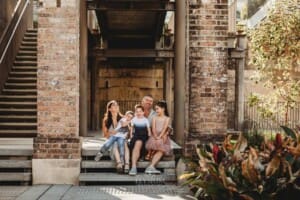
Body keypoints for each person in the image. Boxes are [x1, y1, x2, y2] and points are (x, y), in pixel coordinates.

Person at [94, 100, 130, 173]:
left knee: (118, 143)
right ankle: (120, 163)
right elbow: (105, 135)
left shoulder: (123, 118)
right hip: (111, 140)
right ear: (109, 109)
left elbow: (127, 132)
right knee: (114, 143)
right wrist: (111, 133)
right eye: (113, 105)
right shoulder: (106, 120)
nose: (116, 106)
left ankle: (120, 164)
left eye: (117, 105)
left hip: (121, 139)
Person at [145, 100, 172, 174]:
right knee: (158, 147)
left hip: (162, 136)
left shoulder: (167, 118)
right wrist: (156, 136)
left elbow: (164, 128)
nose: (156, 110)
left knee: (161, 148)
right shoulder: (154, 117)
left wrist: (160, 136)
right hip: (154, 136)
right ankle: (151, 166)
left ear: (163, 109)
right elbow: (153, 128)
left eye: (157, 109)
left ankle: (151, 166)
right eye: (155, 109)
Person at [128, 105, 151, 175]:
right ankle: (134, 164)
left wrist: (150, 138)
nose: (139, 113)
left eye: (140, 111)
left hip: (144, 136)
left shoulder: (146, 120)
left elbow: (148, 130)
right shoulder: (134, 119)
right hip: (136, 136)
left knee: (138, 143)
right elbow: (131, 128)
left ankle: (133, 167)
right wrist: (131, 136)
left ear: (143, 112)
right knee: (136, 142)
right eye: (137, 111)